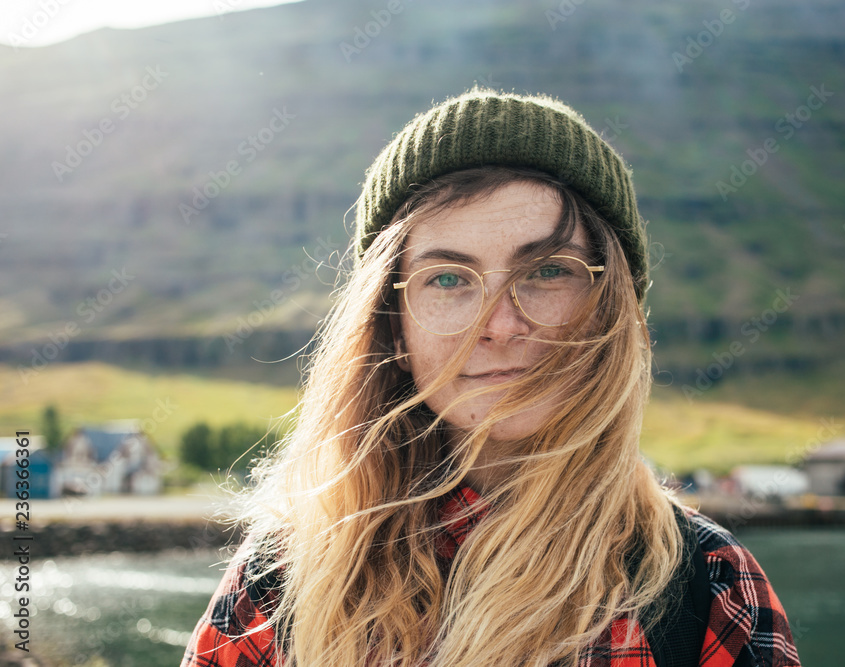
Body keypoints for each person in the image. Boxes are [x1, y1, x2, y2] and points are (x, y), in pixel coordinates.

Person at [181, 88, 801, 667]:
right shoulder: (277, 585)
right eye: (448, 279)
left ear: (612, 309)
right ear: (393, 329)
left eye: (548, 272)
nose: (500, 325)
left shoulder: (707, 588)